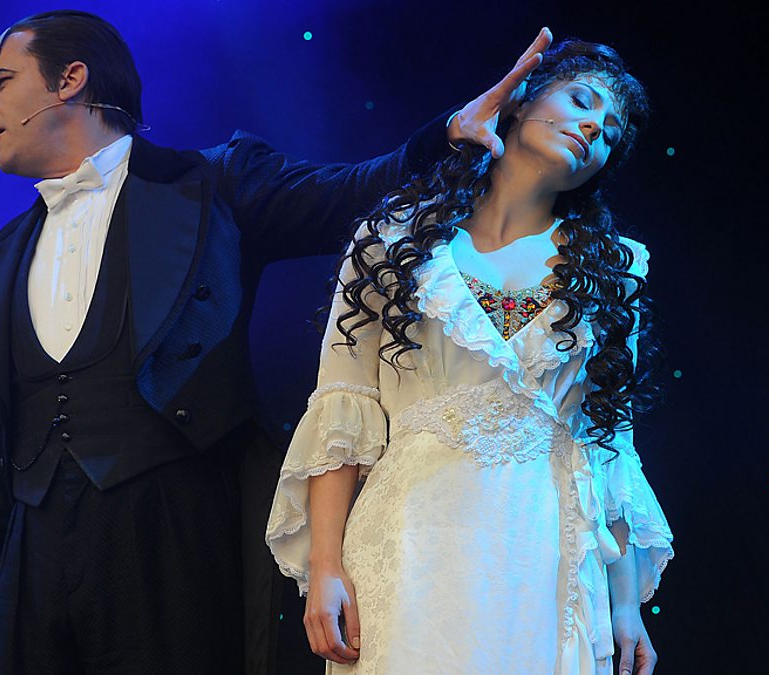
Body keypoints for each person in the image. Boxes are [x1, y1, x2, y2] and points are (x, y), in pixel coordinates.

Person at [0, 9, 554, 675]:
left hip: (172, 534)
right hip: (32, 556)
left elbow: (348, 193)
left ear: (71, 80)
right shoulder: (0, 261)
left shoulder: (213, 184)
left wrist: (449, 135)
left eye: (0, 81)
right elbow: (2, 430)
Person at [266, 39, 675, 674]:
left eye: (611, 132)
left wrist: (625, 605)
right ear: (519, 104)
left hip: (543, 552)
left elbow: (605, 441)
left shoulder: (610, 274)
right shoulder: (392, 241)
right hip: (408, 543)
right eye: (581, 101)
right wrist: (325, 566)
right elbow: (343, 406)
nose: (595, 126)